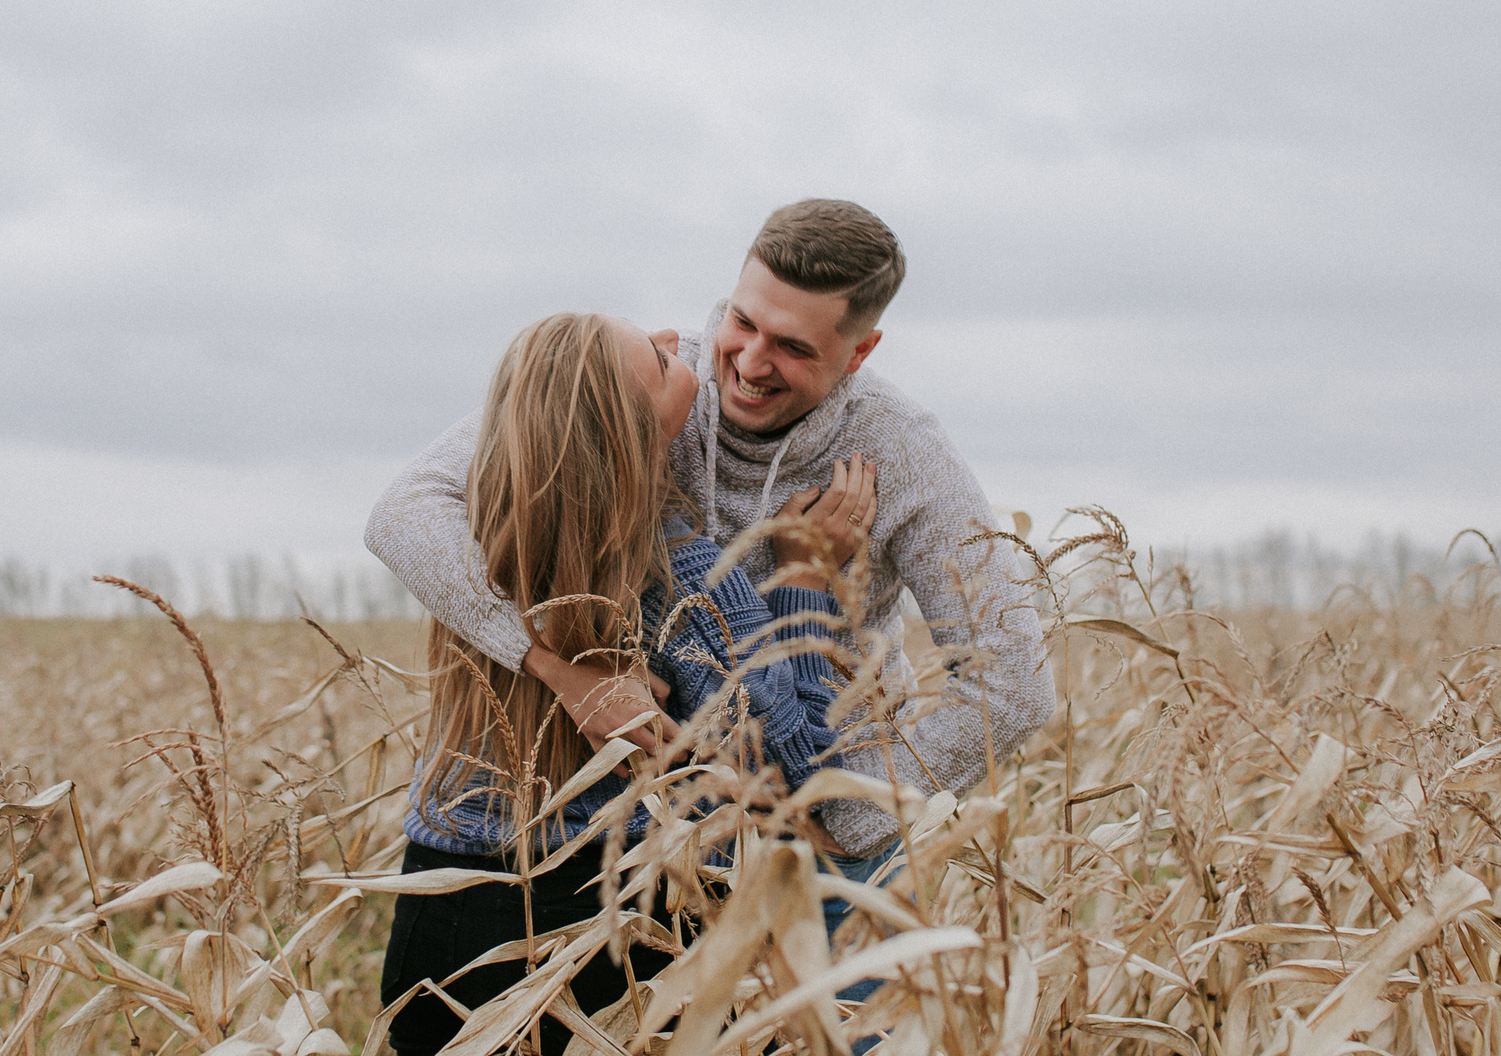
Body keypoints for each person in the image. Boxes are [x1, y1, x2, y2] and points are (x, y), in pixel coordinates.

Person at [378, 310, 877, 1056]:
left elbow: (405, 505)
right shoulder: (685, 574)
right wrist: (808, 581)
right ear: (633, 430)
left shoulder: (482, 547)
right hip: (606, 938)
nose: (675, 334)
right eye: (658, 360)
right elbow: (800, 775)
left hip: (439, 919)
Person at [367, 199, 1055, 886]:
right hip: (658, 848)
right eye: (742, 320)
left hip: (828, 855)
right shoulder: (641, 383)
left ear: (859, 351)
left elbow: (1015, 684)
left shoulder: (902, 451)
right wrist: (556, 667)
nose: (750, 362)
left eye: (792, 346)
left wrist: (842, 819)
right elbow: (405, 511)